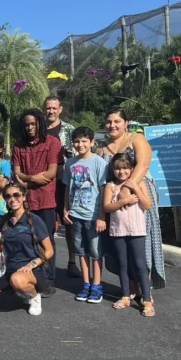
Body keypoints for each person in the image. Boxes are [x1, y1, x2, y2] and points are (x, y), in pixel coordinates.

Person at [97, 108, 165, 289]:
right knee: (120, 244)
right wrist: (103, 212)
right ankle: (131, 287)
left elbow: (142, 165)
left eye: (117, 121)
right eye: (109, 122)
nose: (112, 125)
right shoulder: (101, 149)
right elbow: (101, 181)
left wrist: (127, 189)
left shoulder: (136, 139)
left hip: (139, 194)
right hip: (113, 202)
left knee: (142, 241)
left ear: (126, 123)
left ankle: (145, 289)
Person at [11, 109, 62, 295]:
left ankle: (48, 281)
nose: (30, 127)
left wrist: (26, 179)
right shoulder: (18, 146)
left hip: (46, 200)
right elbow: (17, 174)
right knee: (27, 240)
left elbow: (50, 174)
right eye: (26, 124)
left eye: (33, 123)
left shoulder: (53, 143)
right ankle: (30, 277)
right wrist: (33, 178)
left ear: (40, 123)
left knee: (46, 241)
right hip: (26, 201)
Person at [103, 153, 155, 317]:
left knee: (140, 264)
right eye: (118, 168)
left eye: (125, 168)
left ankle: (146, 299)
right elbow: (106, 207)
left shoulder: (139, 183)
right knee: (123, 264)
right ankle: (125, 295)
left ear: (132, 168)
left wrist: (137, 191)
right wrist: (124, 201)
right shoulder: (110, 186)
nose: (121, 171)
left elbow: (147, 205)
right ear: (113, 169)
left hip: (137, 230)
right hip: (118, 230)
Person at [62, 127, 108, 304]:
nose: (80, 145)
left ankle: (97, 286)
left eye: (83, 141)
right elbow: (68, 187)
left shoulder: (99, 163)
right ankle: (86, 283)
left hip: (93, 215)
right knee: (81, 251)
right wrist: (66, 209)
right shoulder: (70, 163)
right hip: (76, 214)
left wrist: (102, 215)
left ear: (91, 143)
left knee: (95, 252)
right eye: (76, 141)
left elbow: (104, 189)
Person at [0, 182, 55, 316]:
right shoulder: (4, 221)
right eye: (8, 196)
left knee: (18, 280)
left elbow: (49, 251)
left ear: (23, 197)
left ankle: (34, 297)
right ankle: (17, 288)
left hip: (32, 271)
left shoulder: (34, 220)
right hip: (9, 270)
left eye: (16, 195)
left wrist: (32, 264)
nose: (12, 199)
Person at [45, 96, 80, 279]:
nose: (51, 111)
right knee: (46, 224)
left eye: (54, 108)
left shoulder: (69, 130)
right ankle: (45, 262)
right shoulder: (39, 130)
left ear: (60, 109)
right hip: (44, 184)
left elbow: (78, 155)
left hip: (66, 183)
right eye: (48, 108)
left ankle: (72, 261)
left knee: (69, 223)